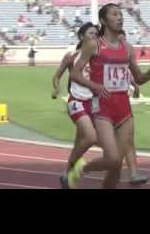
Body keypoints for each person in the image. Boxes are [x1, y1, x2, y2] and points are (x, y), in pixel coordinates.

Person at [67, 3, 150, 189]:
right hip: (102, 108)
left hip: (124, 109)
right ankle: (80, 168)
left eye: (121, 14)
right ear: (103, 20)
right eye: (114, 14)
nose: (120, 17)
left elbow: (139, 78)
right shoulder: (93, 45)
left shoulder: (127, 48)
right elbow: (75, 74)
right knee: (112, 159)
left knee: (117, 167)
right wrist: (94, 85)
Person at [51, 23, 99, 188]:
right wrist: (56, 89)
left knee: (80, 142)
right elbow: (57, 76)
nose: (94, 36)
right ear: (81, 36)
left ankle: (67, 175)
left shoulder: (97, 56)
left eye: (96, 34)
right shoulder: (72, 55)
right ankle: (73, 165)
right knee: (91, 137)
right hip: (76, 101)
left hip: (92, 104)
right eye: (91, 33)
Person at [118, 29, 149, 185]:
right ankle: (83, 167)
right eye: (120, 40)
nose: (123, 43)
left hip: (123, 100)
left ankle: (133, 174)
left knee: (129, 140)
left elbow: (127, 72)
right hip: (104, 103)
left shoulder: (126, 53)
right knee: (102, 141)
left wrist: (135, 86)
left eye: (125, 40)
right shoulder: (102, 54)